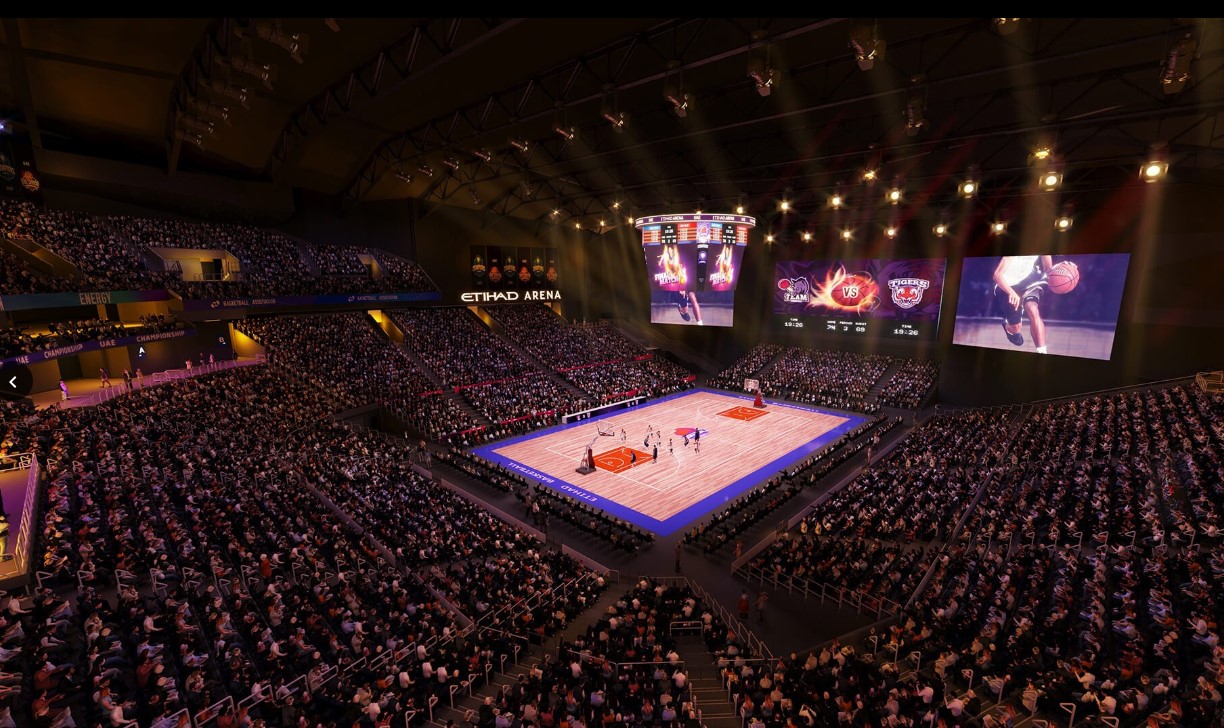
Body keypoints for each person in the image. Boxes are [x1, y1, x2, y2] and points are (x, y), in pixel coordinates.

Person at [993, 255, 1069, 355]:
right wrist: (1011, 292)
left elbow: (1048, 270)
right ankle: (1008, 327)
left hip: (1030, 281)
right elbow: (997, 275)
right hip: (1007, 286)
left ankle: (1042, 352)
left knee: (1033, 310)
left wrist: (1062, 268)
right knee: (1016, 328)